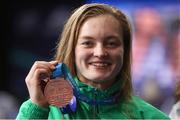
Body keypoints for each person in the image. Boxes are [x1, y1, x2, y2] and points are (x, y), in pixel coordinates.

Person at [16, 3, 169, 119]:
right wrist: (36, 110)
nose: (100, 52)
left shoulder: (151, 117)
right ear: (72, 49)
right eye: (88, 43)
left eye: (111, 43)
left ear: (125, 50)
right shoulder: (42, 111)